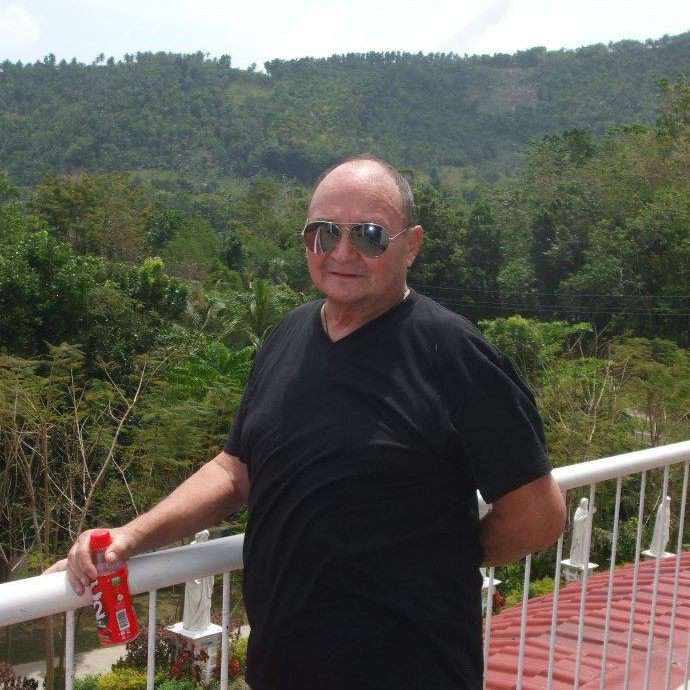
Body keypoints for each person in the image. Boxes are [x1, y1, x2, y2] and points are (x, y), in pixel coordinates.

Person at [48, 156, 566, 690]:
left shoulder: (453, 354)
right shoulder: (287, 336)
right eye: (324, 233)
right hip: (281, 670)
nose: (342, 253)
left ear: (410, 245)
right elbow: (234, 470)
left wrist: (446, 556)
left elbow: (538, 514)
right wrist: (132, 536)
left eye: (369, 235)